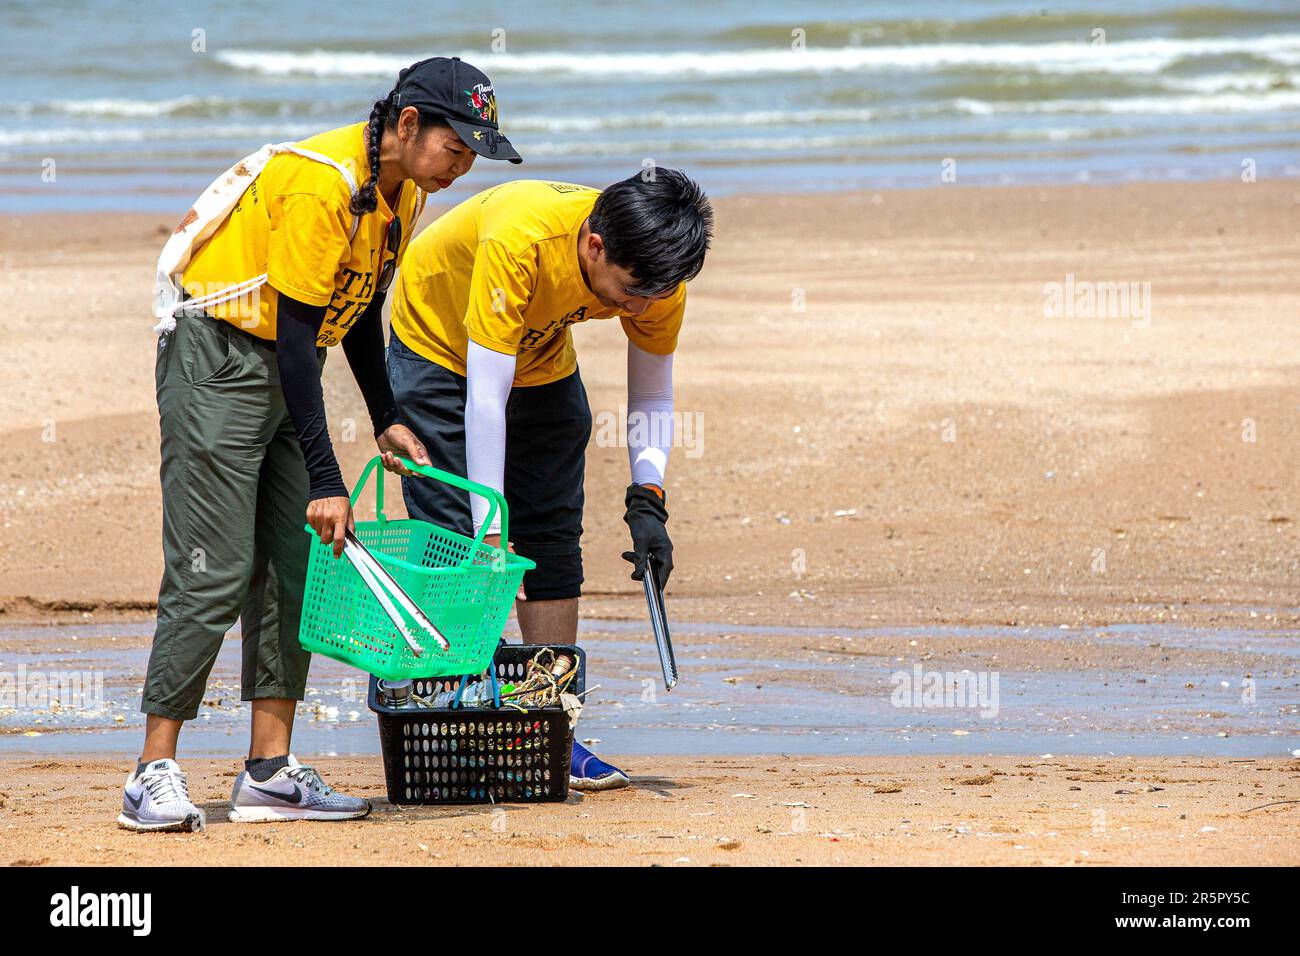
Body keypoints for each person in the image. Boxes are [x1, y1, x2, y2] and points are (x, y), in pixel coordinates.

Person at [122, 57, 522, 832]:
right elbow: (302, 338)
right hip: (220, 356)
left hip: (287, 366)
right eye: (457, 148)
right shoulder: (324, 186)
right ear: (409, 125)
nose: (463, 167)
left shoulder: (403, 192)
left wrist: (387, 413)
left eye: (475, 155)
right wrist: (328, 476)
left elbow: (362, 309)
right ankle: (151, 770)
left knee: (294, 565)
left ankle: (268, 772)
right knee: (215, 565)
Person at [386, 169, 713, 790]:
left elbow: (653, 391)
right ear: (593, 246)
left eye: (653, 295)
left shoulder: (657, 272)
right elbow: (485, 398)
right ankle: (469, 717)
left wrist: (650, 497)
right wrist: (486, 529)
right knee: (454, 533)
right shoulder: (522, 238)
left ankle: (547, 720)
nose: (639, 308)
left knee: (550, 531)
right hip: (439, 342)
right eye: (628, 292)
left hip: (538, 354)